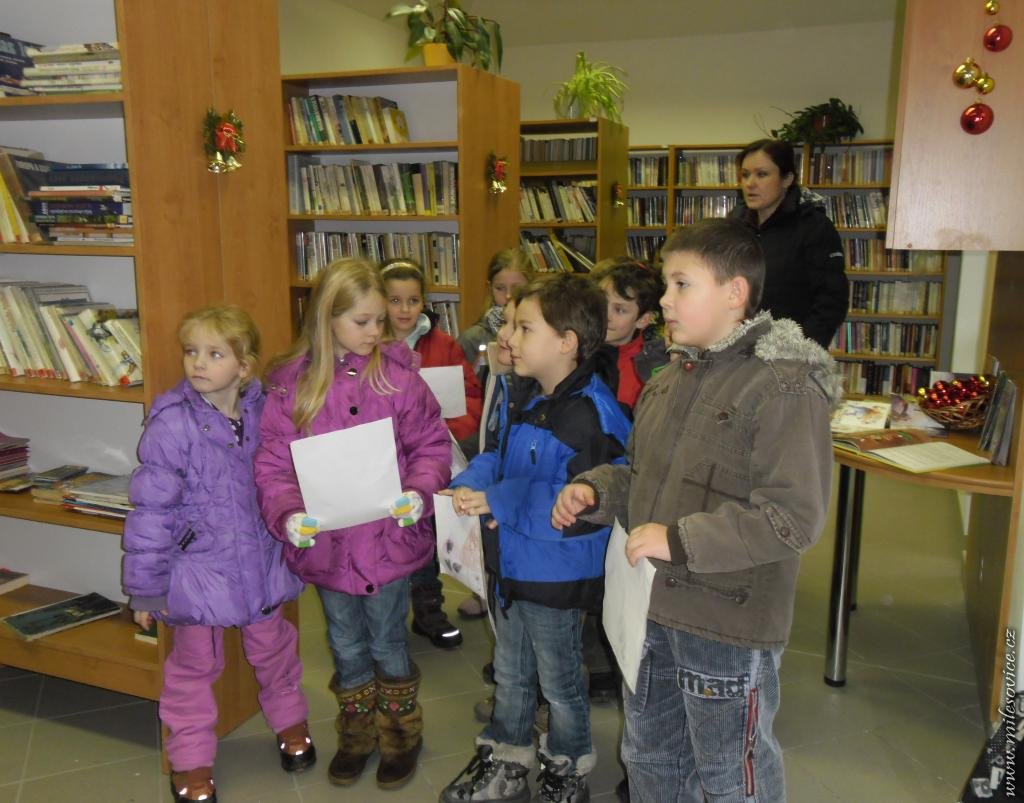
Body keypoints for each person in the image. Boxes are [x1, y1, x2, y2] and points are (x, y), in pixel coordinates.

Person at [553, 219, 842, 802]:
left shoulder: (784, 387)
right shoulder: (668, 381)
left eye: (682, 284)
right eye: (666, 284)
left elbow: (792, 517)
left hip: (725, 625)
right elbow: (645, 478)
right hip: (653, 612)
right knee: (650, 758)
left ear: (735, 293)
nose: (664, 299)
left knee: (730, 776)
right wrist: (598, 491)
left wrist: (679, 540)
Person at [253, 259, 451, 790]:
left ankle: (401, 734)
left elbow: (430, 445)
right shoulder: (291, 386)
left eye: (379, 320)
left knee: (388, 640)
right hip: (329, 549)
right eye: (362, 321)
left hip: (389, 542)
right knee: (344, 643)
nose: (375, 331)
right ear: (328, 317)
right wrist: (288, 515)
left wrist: (420, 492)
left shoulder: (399, 378)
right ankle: (357, 733)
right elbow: (274, 464)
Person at [440, 274, 633, 803]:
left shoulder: (592, 415)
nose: (510, 338)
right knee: (511, 672)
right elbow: (499, 457)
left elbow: (577, 507)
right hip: (513, 564)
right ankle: (507, 757)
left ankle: (567, 768)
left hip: (555, 575)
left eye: (525, 328)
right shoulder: (529, 395)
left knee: (560, 681)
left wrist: (499, 500)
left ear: (566, 342)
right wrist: (469, 484)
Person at [123, 305, 314, 803]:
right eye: (191, 351)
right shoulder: (171, 424)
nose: (198, 363)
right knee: (193, 667)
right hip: (197, 572)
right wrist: (146, 588)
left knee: (275, 650)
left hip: (261, 562)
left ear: (244, 365)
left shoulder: (267, 412)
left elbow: (291, 472)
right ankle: (190, 759)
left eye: (214, 354)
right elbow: (150, 512)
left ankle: (291, 722)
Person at [380, 257, 482, 646]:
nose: (405, 310)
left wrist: (449, 431)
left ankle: (428, 609)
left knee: (425, 531)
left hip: (430, 456)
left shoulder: (443, 345)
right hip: (385, 460)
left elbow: (469, 397)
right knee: (388, 537)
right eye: (394, 300)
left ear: (424, 301)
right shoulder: (368, 343)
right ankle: (386, 617)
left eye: (413, 300)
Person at [728, 138, 848, 349]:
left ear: (787, 179)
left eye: (761, 174)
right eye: (745, 175)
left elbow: (831, 300)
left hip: (788, 352)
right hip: (735, 348)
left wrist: (801, 350)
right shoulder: (733, 224)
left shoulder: (813, 227)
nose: (749, 183)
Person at [456, 248, 532, 372]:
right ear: (490, 288)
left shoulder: (540, 336)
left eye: (517, 288)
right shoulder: (471, 339)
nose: (508, 295)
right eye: (500, 288)